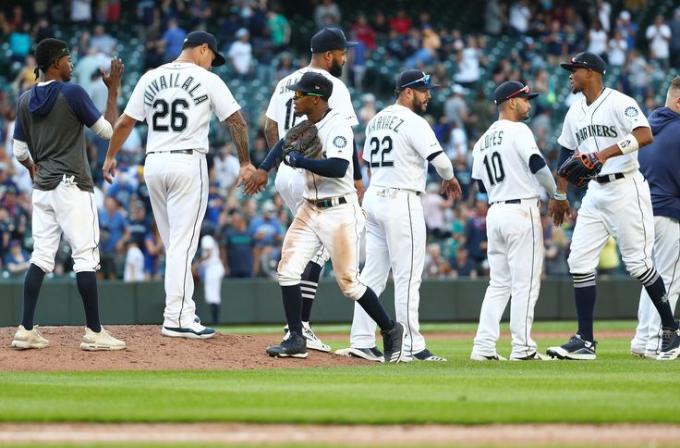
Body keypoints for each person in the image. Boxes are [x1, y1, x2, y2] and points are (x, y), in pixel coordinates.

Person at [102, 31, 255, 339]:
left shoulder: (150, 77)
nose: (212, 63)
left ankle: (184, 312)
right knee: (183, 245)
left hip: (154, 163)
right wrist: (244, 162)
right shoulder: (207, 80)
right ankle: (176, 317)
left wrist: (109, 157)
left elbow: (125, 123)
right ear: (202, 49)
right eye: (212, 56)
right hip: (187, 162)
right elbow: (237, 121)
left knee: (175, 245)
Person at [257, 72, 406, 362]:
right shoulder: (305, 126)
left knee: (349, 283)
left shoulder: (338, 126)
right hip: (309, 207)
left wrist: (302, 161)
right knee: (287, 270)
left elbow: (338, 167)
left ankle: (389, 329)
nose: (295, 100)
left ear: (316, 98)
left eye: (300, 95)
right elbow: (282, 144)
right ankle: (296, 337)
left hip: (339, 211)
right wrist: (263, 168)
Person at [546, 52, 680, 360]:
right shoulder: (574, 111)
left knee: (639, 265)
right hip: (596, 191)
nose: (569, 75)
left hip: (626, 187)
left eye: (574, 69)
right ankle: (585, 341)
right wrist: (561, 194)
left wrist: (602, 154)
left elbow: (644, 135)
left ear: (591, 72)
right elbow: (565, 154)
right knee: (578, 260)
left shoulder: (620, 102)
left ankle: (671, 330)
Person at [244, 27, 363, 353]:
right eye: (342, 52)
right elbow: (346, 135)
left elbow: (270, 126)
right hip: (314, 175)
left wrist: (280, 162)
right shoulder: (332, 85)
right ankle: (301, 328)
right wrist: (357, 177)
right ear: (329, 55)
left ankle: (298, 327)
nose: (345, 57)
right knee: (318, 249)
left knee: (306, 245)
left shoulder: (286, 81)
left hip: (288, 171)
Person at [335, 70, 462, 363]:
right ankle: (412, 346)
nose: (428, 94)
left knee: (371, 276)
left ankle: (362, 341)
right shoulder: (414, 122)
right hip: (401, 199)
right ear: (406, 91)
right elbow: (441, 162)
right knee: (407, 277)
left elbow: (366, 163)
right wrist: (450, 177)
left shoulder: (376, 120)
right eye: (423, 89)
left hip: (376, 197)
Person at [10, 38, 125, 351]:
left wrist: (33, 169)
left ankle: (25, 329)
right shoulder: (72, 93)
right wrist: (113, 91)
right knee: (85, 255)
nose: (71, 64)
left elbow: (19, 150)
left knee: (41, 257)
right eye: (67, 59)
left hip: (42, 189)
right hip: (72, 186)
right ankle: (94, 332)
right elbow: (108, 131)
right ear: (56, 62)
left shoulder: (24, 99)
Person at [469, 81, 569, 361]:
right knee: (526, 283)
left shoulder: (482, 140)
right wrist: (558, 193)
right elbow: (537, 165)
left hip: (495, 211)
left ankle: (483, 347)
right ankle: (523, 347)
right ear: (511, 102)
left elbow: (477, 185)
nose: (529, 104)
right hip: (521, 211)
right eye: (525, 99)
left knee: (499, 284)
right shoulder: (519, 130)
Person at [631, 77, 680, 360]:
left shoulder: (647, 127)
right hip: (668, 213)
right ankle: (654, 341)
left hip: (642, 213)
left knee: (653, 278)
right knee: (670, 279)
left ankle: (642, 338)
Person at [199, 229, 225, 325]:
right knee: (214, 295)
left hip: (213, 268)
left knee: (212, 295)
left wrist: (198, 262)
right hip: (215, 267)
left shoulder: (206, 238)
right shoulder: (211, 239)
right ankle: (216, 321)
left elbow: (208, 253)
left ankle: (215, 322)